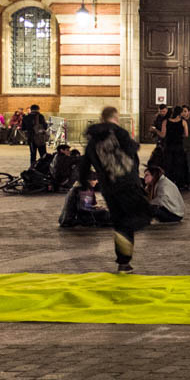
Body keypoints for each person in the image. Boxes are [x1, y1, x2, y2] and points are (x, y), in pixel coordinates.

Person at [79, 106, 153, 272]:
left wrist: (84, 185)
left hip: (108, 188)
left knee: (119, 221)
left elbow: (84, 167)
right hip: (127, 184)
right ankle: (124, 252)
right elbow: (132, 149)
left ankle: (123, 262)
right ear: (115, 117)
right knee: (143, 214)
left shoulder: (93, 141)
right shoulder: (118, 133)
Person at [20, 104, 49, 168]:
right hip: (40, 138)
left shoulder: (26, 117)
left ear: (31, 109)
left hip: (31, 138)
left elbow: (23, 128)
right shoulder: (40, 116)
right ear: (38, 109)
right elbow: (45, 126)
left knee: (33, 155)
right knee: (43, 154)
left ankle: (32, 168)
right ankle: (43, 167)